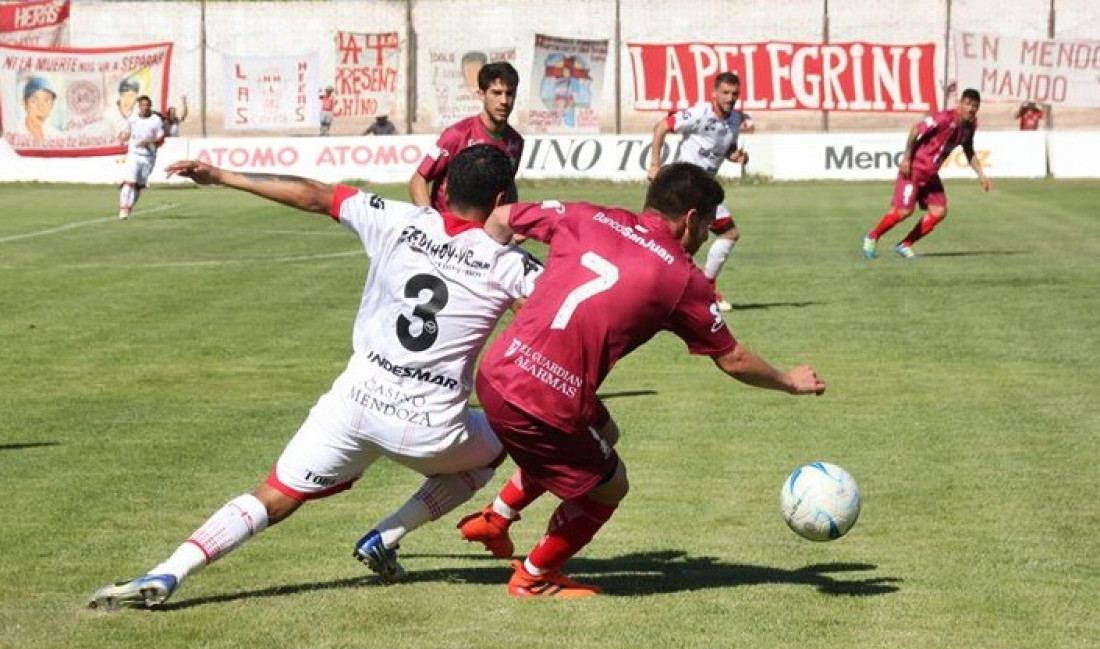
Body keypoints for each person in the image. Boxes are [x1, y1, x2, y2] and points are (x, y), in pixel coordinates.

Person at [86, 144, 544, 611]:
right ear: (505, 197)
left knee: (274, 496)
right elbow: (560, 316)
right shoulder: (509, 264)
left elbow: (313, 193)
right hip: (431, 428)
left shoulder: (398, 218)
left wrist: (221, 175)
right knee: (502, 440)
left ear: (445, 191)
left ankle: (170, 570)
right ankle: (388, 535)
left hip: (355, 404)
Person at [456, 162, 827, 598]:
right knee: (611, 485)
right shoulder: (682, 278)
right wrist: (789, 380)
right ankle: (534, 576)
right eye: (707, 225)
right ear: (690, 218)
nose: (707, 235)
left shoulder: (586, 214)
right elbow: (732, 358)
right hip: (546, 403)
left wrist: (482, 268)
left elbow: (499, 218)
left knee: (604, 431)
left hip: (498, 371)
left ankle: (497, 517)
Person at [648, 71, 749, 312]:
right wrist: (654, 164)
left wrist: (737, 157)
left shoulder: (735, 120)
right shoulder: (698, 113)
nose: (730, 97)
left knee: (677, 244)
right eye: (725, 92)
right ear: (714, 93)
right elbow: (662, 126)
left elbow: (726, 148)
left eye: (734, 93)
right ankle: (705, 289)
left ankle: (671, 291)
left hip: (706, 188)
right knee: (727, 233)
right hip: (689, 184)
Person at [862, 87, 992, 259]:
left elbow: (969, 150)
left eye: (975, 105)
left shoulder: (971, 125)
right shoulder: (944, 118)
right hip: (915, 168)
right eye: (968, 104)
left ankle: (904, 244)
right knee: (904, 211)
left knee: (939, 211)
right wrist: (907, 158)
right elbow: (915, 129)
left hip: (930, 174)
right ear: (960, 103)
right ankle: (872, 237)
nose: (971, 109)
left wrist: (981, 175)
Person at [409, 61, 523, 213]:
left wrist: (511, 221)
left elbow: (508, 186)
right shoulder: (457, 134)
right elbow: (418, 180)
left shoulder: (515, 142)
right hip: (449, 231)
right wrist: (430, 222)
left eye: (509, 93)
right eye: (496, 93)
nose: (503, 101)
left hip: (484, 233)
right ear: (481, 95)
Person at [117, 95, 165, 220]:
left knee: (138, 186)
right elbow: (128, 131)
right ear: (139, 107)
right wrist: (123, 137)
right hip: (134, 154)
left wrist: (149, 142)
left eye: (147, 105)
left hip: (149, 157)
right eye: (142, 105)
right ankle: (123, 208)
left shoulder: (156, 120)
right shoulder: (132, 118)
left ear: (150, 106)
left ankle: (129, 207)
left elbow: (161, 139)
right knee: (129, 182)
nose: (145, 108)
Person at [22, 76, 60, 141]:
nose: (41, 107)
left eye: (46, 100)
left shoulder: (56, 136)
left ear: (52, 105)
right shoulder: (15, 131)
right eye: (34, 100)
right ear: (25, 104)